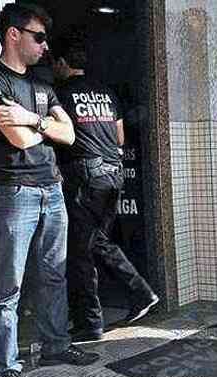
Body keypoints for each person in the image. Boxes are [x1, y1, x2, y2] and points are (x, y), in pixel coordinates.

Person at [0, 4, 100, 377]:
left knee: (54, 273)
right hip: (12, 191)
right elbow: (17, 141)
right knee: (8, 285)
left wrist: (31, 119)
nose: (45, 45)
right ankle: (5, 368)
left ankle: (56, 346)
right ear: (13, 35)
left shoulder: (43, 83)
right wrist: (44, 128)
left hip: (52, 188)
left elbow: (68, 135)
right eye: (39, 37)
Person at [51, 32, 159, 342]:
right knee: (95, 242)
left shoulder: (60, 93)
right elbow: (121, 138)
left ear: (61, 63)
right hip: (114, 175)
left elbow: (61, 134)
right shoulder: (107, 93)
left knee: (81, 251)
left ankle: (92, 322)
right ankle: (138, 294)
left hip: (84, 176)